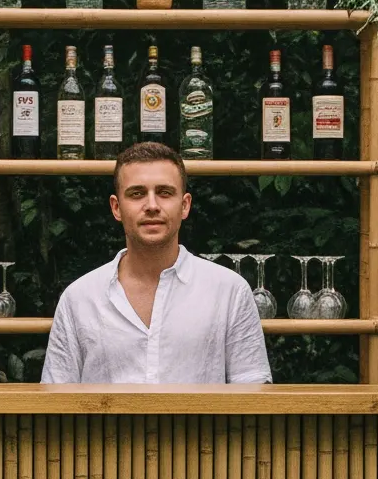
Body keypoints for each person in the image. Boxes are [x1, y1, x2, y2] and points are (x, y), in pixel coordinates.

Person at [41, 141, 271, 387]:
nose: (152, 206)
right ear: (116, 208)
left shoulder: (229, 292)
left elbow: (253, 396)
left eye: (164, 192)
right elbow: (55, 401)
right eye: (137, 193)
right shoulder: (79, 298)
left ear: (185, 206)